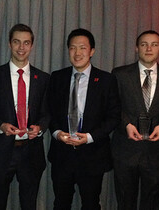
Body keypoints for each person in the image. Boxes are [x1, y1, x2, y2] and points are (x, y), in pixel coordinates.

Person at [111, 30, 159, 209]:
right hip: (125, 149)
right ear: (137, 48)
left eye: (154, 44)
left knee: (152, 202)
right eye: (144, 44)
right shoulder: (120, 74)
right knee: (125, 202)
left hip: (157, 152)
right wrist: (126, 124)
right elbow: (112, 107)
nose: (149, 48)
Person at [48, 28, 121, 210]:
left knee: (90, 204)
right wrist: (57, 134)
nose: (77, 53)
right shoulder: (57, 77)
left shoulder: (106, 80)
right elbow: (49, 111)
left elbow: (113, 117)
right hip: (62, 154)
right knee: (60, 203)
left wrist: (89, 137)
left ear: (92, 51)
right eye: (73, 48)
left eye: (82, 47)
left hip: (92, 156)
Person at [0, 24, 49, 210]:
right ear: (9, 44)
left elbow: (47, 113)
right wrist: (0, 125)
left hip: (31, 153)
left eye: (26, 43)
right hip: (0, 151)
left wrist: (40, 128)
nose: (21, 47)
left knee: (29, 205)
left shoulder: (43, 78)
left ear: (32, 45)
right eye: (17, 42)